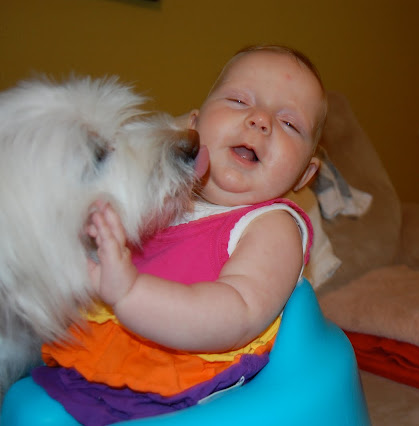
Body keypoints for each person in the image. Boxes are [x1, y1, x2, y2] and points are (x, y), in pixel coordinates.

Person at [32, 45, 327, 425]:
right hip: (107, 353)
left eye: (289, 123)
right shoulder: (165, 196)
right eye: (239, 101)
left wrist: (131, 293)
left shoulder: (272, 225)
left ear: (305, 175)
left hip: (191, 385)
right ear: (193, 126)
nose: (260, 120)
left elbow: (238, 313)